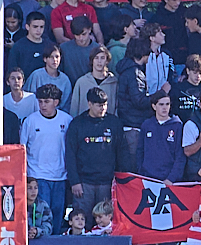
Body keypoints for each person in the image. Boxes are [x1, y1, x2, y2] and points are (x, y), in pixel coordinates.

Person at [65, 88, 129, 229]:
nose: (102, 108)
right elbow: (70, 154)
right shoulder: (77, 124)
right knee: (83, 221)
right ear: (89, 104)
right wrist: (74, 181)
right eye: (99, 105)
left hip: (107, 182)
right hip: (84, 183)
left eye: (105, 104)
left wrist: (122, 178)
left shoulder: (114, 123)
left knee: (106, 223)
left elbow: (122, 152)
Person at [20, 85, 72, 235]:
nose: (42, 105)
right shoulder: (30, 121)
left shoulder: (66, 120)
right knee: (41, 215)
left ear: (56, 102)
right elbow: (22, 148)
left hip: (60, 176)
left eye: (47, 101)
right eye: (40, 101)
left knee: (57, 214)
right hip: (38, 176)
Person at [137, 91, 185, 184]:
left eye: (167, 104)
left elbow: (180, 155)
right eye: (161, 104)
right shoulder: (146, 125)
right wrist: (141, 173)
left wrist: (171, 178)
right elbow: (140, 151)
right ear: (154, 106)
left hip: (168, 180)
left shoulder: (177, 125)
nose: (165, 107)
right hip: (148, 178)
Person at [116, 38, 151, 160]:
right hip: (134, 125)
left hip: (128, 122)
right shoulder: (134, 73)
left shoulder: (126, 70)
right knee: (134, 160)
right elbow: (139, 101)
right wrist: (160, 94)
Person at [69, 46, 117, 117]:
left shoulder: (114, 82)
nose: (99, 61)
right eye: (96, 58)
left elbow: (117, 107)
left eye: (102, 58)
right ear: (92, 60)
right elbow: (74, 108)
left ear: (107, 61)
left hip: (107, 123)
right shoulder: (82, 82)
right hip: (85, 124)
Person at [23, 44, 71, 109]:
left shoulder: (65, 80)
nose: (55, 60)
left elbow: (66, 104)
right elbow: (28, 97)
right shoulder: (36, 75)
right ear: (45, 59)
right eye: (51, 57)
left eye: (57, 57)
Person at [8, 11, 48, 78]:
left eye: (41, 27)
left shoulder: (49, 46)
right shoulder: (18, 47)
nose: (39, 30)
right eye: (35, 27)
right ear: (27, 27)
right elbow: (12, 71)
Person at [169, 54, 201, 122]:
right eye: (195, 72)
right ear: (187, 71)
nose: (198, 76)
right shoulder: (177, 89)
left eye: (200, 73)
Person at [60, 17, 98, 84]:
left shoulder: (98, 49)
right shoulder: (64, 48)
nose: (81, 38)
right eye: (77, 35)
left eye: (84, 34)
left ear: (90, 30)